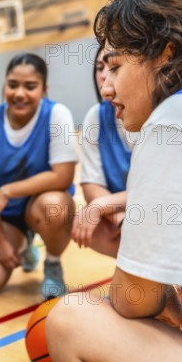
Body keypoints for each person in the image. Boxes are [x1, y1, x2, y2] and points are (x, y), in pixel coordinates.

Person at [47, 0, 182, 362]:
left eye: (115, 67)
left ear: (168, 54)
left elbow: (133, 301)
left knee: (70, 319)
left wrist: (158, 286)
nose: (106, 88)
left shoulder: (179, 118)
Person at [0, 53, 77, 300]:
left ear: (44, 89)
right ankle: (25, 245)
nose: (19, 93)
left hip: (41, 207)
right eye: (13, 85)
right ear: (4, 85)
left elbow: (63, 177)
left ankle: (52, 264)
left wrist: (8, 190)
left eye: (30, 86)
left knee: (56, 206)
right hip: (5, 216)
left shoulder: (57, 115)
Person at [71, 45, 139, 257]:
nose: (103, 75)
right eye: (100, 67)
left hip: (158, 213)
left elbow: (162, 190)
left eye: (114, 67)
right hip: (125, 215)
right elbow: (92, 184)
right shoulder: (96, 117)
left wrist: (101, 205)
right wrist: (120, 220)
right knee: (74, 218)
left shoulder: (157, 115)